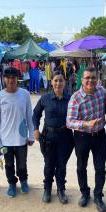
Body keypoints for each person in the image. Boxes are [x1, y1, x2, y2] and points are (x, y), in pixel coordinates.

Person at [66, 67, 106, 212]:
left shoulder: (102, 92)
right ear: (82, 80)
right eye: (87, 78)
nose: (90, 80)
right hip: (82, 137)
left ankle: (98, 196)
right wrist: (85, 124)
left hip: (99, 136)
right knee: (81, 167)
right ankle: (85, 193)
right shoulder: (76, 98)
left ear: (97, 79)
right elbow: (69, 121)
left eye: (93, 78)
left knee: (100, 168)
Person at [0, 67, 35, 198]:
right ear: (4, 79)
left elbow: (29, 116)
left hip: (21, 138)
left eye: (14, 78)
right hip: (5, 140)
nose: (11, 80)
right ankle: (11, 183)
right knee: (9, 164)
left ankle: (23, 181)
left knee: (22, 164)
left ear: (18, 79)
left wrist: (31, 134)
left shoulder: (25, 94)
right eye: (8, 78)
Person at [33, 72, 74, 204]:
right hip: (48, 137)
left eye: (60, 80)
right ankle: (47, 189)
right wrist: (35, 129)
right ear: (52, 82)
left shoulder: (71, 99)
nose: (58, 83)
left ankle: (61, 189)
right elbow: (35, 114)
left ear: (64, 82)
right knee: (49, 164)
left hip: (65, 137)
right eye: (56, 80)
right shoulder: (45, 98)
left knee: (61, 165)